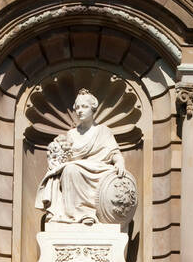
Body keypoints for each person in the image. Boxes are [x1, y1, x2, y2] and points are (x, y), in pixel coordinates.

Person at [35, 90, 125, 225]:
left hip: (100, 170)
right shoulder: (71, 134)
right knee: (70, 169)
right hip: (76, 169)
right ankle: (77, 214)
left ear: (93, 108)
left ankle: (90, 213)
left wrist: (120, 162)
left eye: (84, 107)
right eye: (77, 107)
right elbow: (66, 157)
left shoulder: (103, 131)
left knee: (72, 168)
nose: (80, 111)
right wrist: (57, 151)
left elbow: (114, 153)